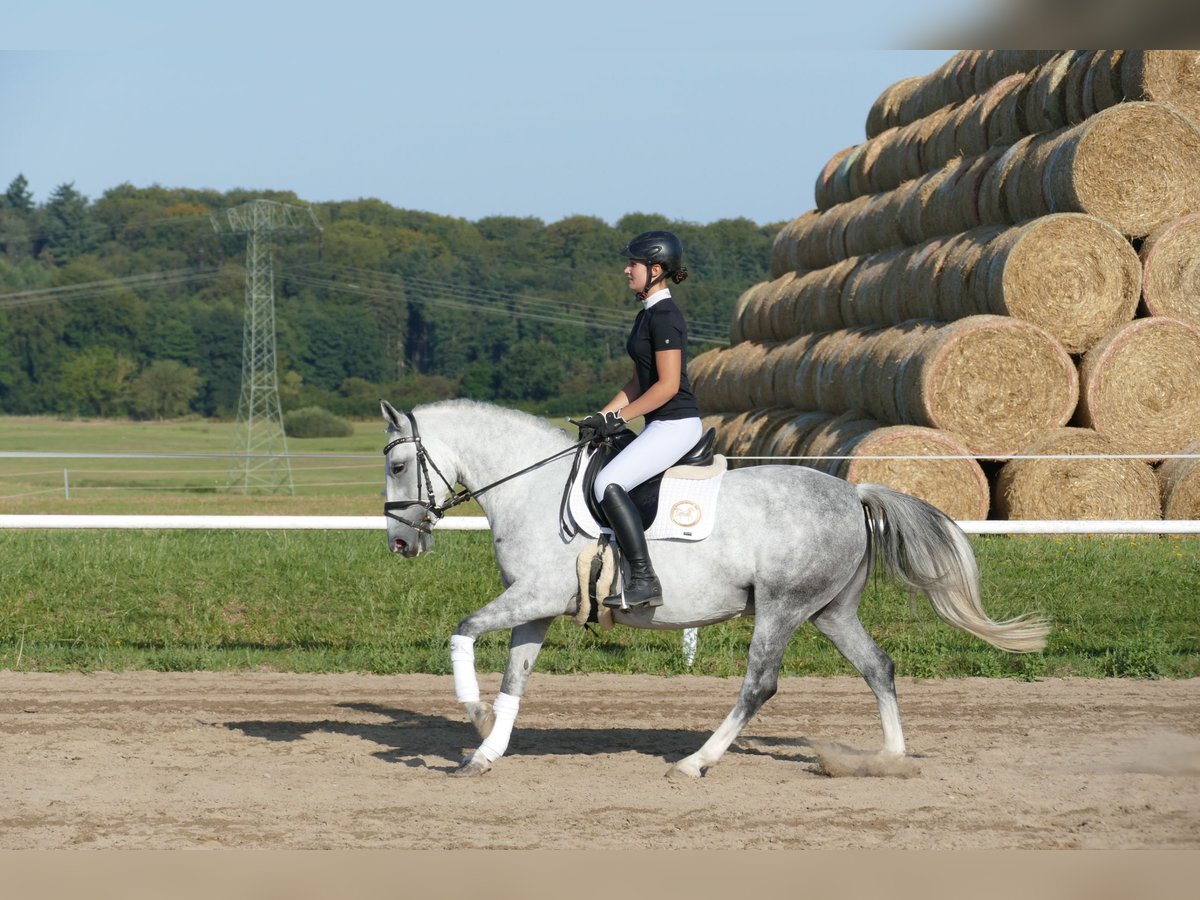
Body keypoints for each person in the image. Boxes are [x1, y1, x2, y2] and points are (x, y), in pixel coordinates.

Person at [578, 230, 702, 608]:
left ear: (657, 269)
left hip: (676, 423)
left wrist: (620, 419)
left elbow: (665, 387)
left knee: (608, 482)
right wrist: (601, 415)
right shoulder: (645, 315)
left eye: (633, 263)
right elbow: (637, 382)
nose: (625, 269)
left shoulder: (666, 317)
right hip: (659, 424)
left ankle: (645, 580)